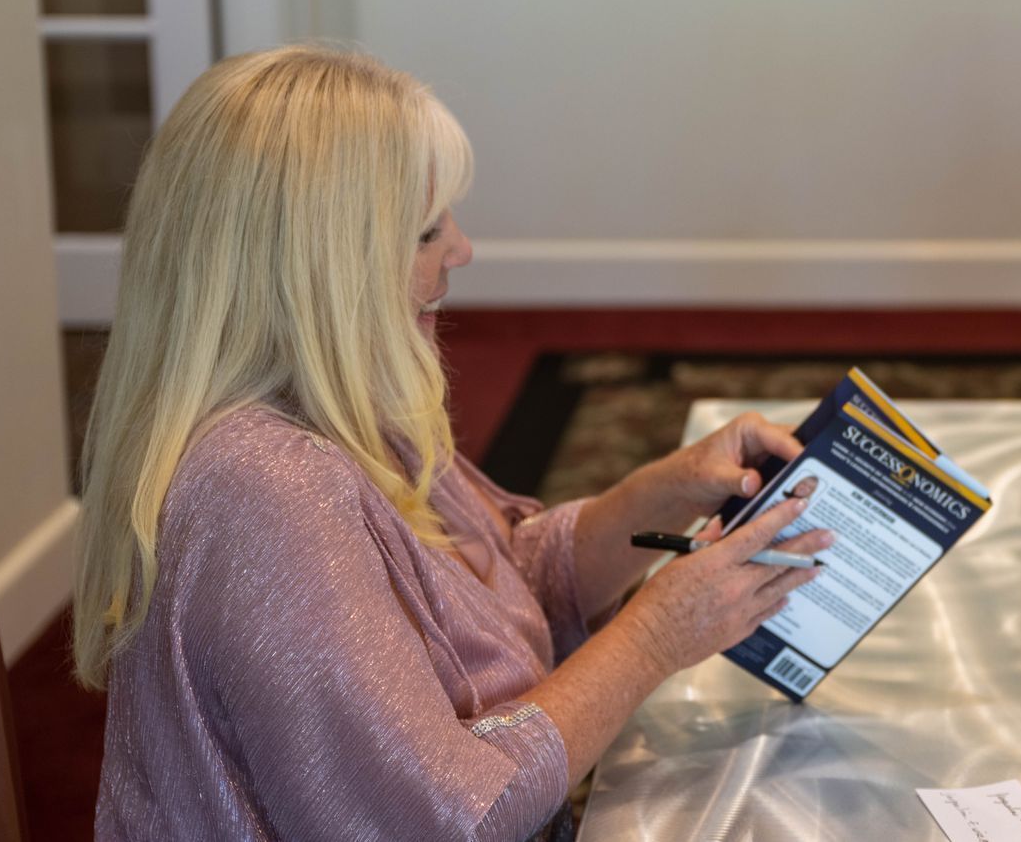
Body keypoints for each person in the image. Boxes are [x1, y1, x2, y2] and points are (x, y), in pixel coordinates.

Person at [74, 45, 835, 841]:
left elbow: (500, 593)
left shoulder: (342, 405)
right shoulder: (262, 487)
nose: (462, 249)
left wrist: (662, 491)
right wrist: (654, 636)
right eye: (426, 230)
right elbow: (442, 819)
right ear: (321, 268)